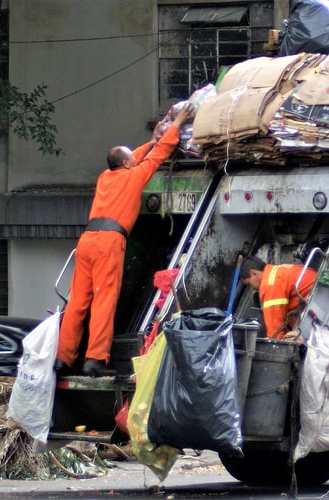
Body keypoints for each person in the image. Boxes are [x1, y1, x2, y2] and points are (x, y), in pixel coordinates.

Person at [56, 105, 193, 377]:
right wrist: (177, 123)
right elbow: (160, 154)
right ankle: (95, 360)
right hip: (109, 242)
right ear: (128, 164)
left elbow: (140, 155)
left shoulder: (105, 177)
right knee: (104, 300)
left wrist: (151, 140)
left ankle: (63, 358)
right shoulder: (134, 176)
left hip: (86, 241)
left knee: (77, 303)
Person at [239, 256, 317, 341]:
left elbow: (275, 332)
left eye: (249, 284)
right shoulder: (277, 270)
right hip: (319, 295)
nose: (251, 288)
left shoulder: (270, 285)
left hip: (315, 312)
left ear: (254, 273)